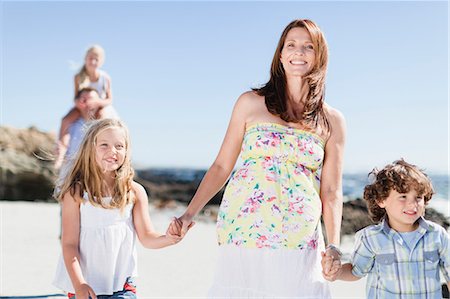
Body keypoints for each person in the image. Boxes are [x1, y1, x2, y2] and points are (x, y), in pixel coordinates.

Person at [173, 19, 346, 298]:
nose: (298, 52)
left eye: (308, 46)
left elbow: (332, 191)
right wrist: (188, 214)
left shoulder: (332, 121)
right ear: (280, 55)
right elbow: (221, 166)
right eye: (291, 45)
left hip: (300, 237)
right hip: (245, 229)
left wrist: (335, 244)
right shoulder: (250, 103)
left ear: (319, 56)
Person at [53, 119, 181, 299]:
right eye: (104, 145)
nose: (112, 151)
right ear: (91, 149)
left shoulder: (134, 192)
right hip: (85, 283)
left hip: (122, 282)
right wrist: (79, 284)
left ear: (127, 151)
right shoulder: (76, 193)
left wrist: (169, 238)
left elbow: (147, 237)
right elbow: (69, 244)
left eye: (119, 146)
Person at [321, 159, 450, 298]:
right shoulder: (371, 238)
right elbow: (355, 271)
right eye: (403, 196)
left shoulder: (437, 235)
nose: (412, 204)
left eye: (418, 197)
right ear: (382, 200)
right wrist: (337, 272)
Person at [56, 45, 118, 169]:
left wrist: (97, 103)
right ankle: (61, 151)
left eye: (96, 59)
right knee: (65, 120)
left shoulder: (105, 78)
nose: (93, 62)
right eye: (91, 58)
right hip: (83, 107)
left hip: (99, 105)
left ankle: (100, 148)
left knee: (103, 118)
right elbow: (75, 97)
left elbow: (109, 99)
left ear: (101, 61)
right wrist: (79, 103)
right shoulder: (78, 77)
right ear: (85, 59)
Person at [54, 87, 99, 170]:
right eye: (84, 99)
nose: (88, 103)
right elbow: (62, 147)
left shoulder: (103, 125)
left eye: (92, 99)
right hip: (70, 170)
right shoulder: (70, 123)